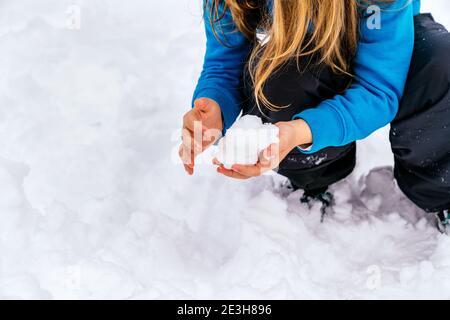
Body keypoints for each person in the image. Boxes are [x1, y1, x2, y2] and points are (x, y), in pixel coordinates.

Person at [179, 0, 450, 233]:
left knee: (440, 63)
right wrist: (214, 108)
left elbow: (377, 89)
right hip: (301, 56)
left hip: (388, 42)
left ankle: (439, 187)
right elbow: (225, 64)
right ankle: (314, 176)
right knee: (283, 77)